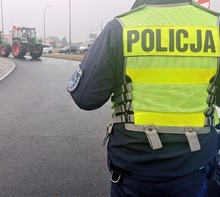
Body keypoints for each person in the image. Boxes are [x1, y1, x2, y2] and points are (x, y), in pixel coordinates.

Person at [67, 0, 220, 196]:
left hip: (133, 171)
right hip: (193, 168)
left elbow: (85, 98)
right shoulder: (214, 26)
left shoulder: (120, 27)